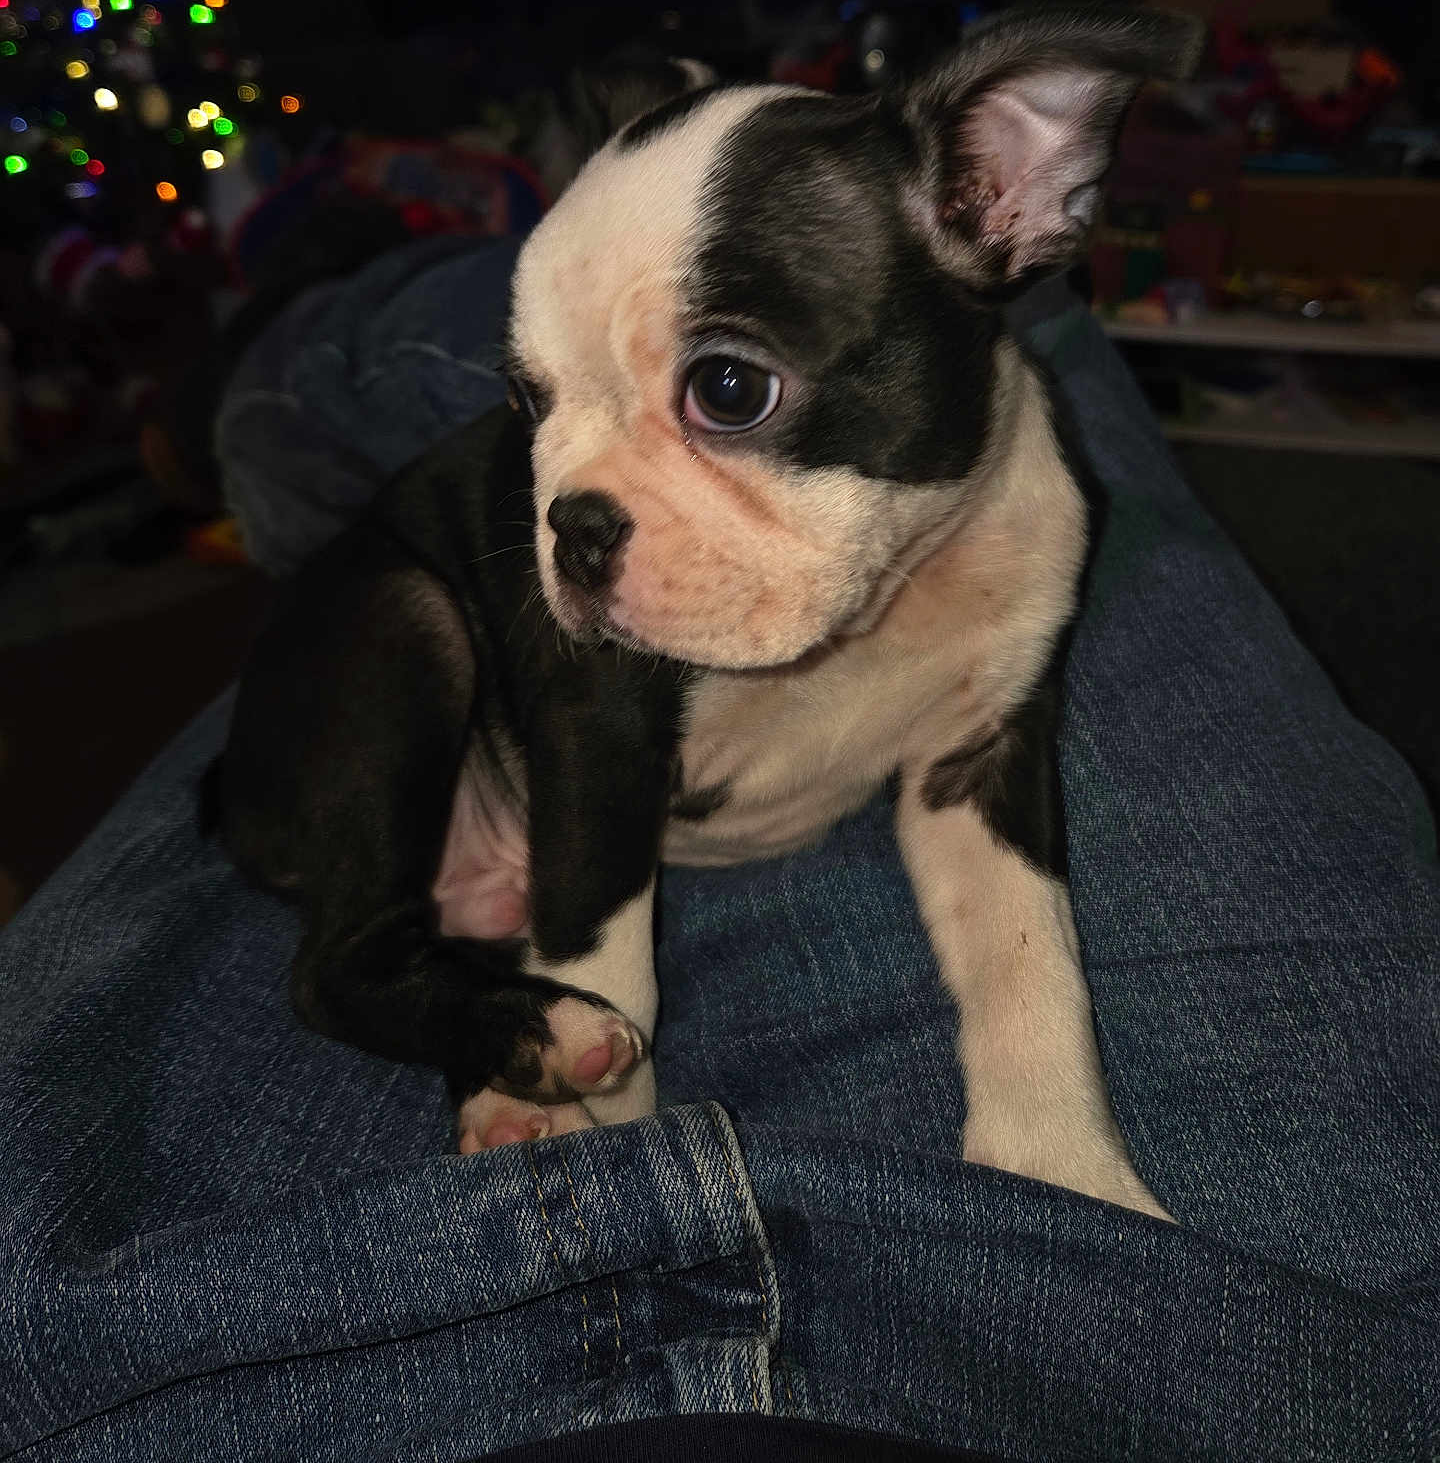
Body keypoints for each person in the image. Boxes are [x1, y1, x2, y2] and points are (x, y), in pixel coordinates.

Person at [1, 229, 1436, 1462]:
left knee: (633, 354)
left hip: (238, 1302)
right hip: (1136, 1317)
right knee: (992, 330)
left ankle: (277, 372)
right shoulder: (1324, 1375)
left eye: (729, 391)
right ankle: (320, 367)